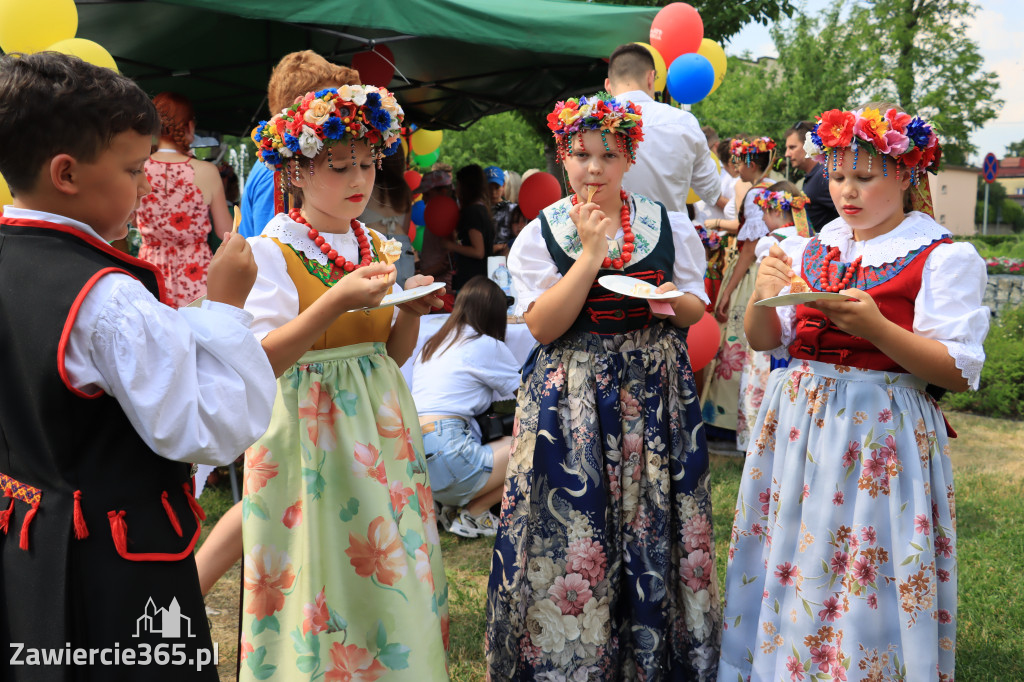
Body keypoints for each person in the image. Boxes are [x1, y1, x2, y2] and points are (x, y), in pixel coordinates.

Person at [0, 52, 276, 680]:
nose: (148, 185)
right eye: (132, 168)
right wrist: (228, 310)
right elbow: (206, 426)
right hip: (115, 565)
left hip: (29, 542)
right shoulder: (106, 297)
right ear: (66, 172)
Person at [718, 105, 988, 682]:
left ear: (906, 176)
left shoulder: (941, 258)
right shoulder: (811, 249)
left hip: (880, 428)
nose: (846, 191)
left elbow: (957, 371)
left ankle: (863, 665)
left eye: (864, 177)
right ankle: (784, 664)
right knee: (797, 548)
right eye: (837, 175)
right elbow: (767, 340)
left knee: (867, 558)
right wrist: (761, 300)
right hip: (799, 420)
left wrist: (877, 330)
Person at [486, 94, 719, 679]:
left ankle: (655, 656)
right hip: (575, 396)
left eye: (608, 155)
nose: (594, 168)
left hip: (654, 388)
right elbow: (543, 324)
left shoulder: (664, 222)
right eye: (581, 154)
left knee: (652, 522)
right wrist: (589, 255)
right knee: (577, 528)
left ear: (628, 156)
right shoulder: (542, 233)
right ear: (563, 156)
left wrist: (671, 305)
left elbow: (695, 304)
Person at [240, 85, 449, 680]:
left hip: (380, 424)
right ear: (298, 172)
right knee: (318, 560)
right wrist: (334, 302)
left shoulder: (380, 244)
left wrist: (411, 308)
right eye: (339, 165)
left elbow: (391, 351)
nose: (358, 177)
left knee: (386, 557)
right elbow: (265, 360)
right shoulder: (272, 252)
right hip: (307, 431)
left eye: (366, 162)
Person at [412, 276, 519, 538]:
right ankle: (475, 512)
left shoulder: (434, 343)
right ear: (495, 313)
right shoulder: (486, 344)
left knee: (504, 440)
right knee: (533, 445)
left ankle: (449, 507)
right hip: (452, 454)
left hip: (416, 460)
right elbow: (529, 395)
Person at [701, 136, 776, 450]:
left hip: (750, 274)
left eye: (740, 161)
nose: (735, 167)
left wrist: (729, 289)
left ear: (750, 163)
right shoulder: (773, 188)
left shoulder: (758, 193)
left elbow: (748, 248)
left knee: (735, 343)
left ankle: (727, 421)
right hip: (760, 269)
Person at [236, 51, 360, 238]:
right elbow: (271, 253)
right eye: (327, 108)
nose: (339, 117)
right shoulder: (275, 173)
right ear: (299, 112)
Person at [134, 92, 233, 308]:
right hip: (196, 273)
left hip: (151, 271)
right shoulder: (207, 171)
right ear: (189, 126)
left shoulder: (138, 168)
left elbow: (131, 220)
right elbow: (226, 232)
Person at [605, 42, 727, 214]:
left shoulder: (588, 123)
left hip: (606, 238)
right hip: (670, 235)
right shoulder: (684, 122)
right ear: (651, 77)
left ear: (608, 85)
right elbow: (711, 192)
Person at [360, 147, 415, 283]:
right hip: (400, 244)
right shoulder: (404, 189)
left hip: (374, 243)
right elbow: (406, 227)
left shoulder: (366, 186)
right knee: (405, 294)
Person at [443, 164, 494, 295]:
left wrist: (451, 246)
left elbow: (478, 251)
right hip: (480, 279)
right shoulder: (482, 210)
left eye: (458, 185)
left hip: (471, 281)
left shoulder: (472, 212)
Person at [785, 120, 840, 231]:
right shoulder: (814, 176)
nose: (787, 154)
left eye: (792, 147)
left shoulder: (823, 176)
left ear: (808, 145)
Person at [488, 165, 514, 256]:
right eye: (489, 188)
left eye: (497, 187)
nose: (493, 192)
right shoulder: (479, 210)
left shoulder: (513, 209)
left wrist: (504, 246)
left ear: (503, 186)